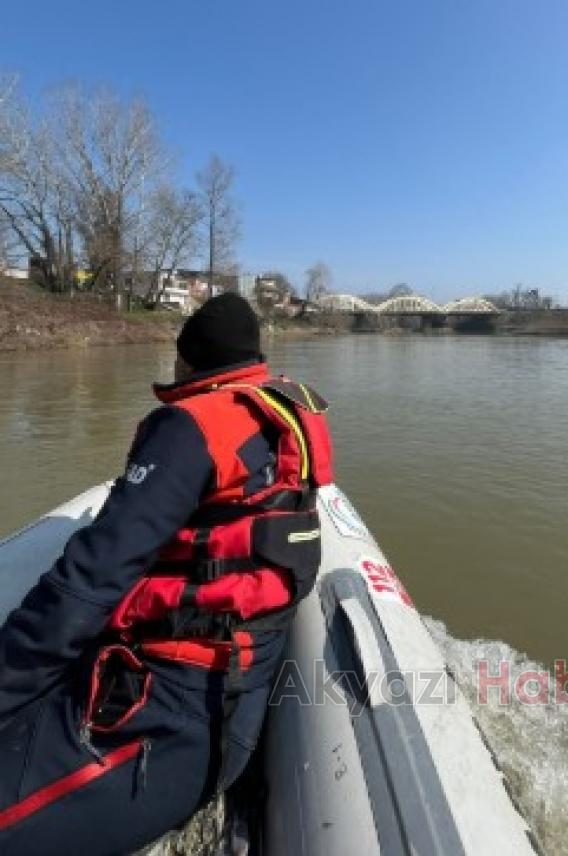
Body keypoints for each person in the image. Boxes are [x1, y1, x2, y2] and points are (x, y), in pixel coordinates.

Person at [0, 293, 334, 855]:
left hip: (168, 714)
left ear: (186, 361)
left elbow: (83, 585)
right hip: (233, 691)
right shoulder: (280, 415)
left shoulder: (189, 427)